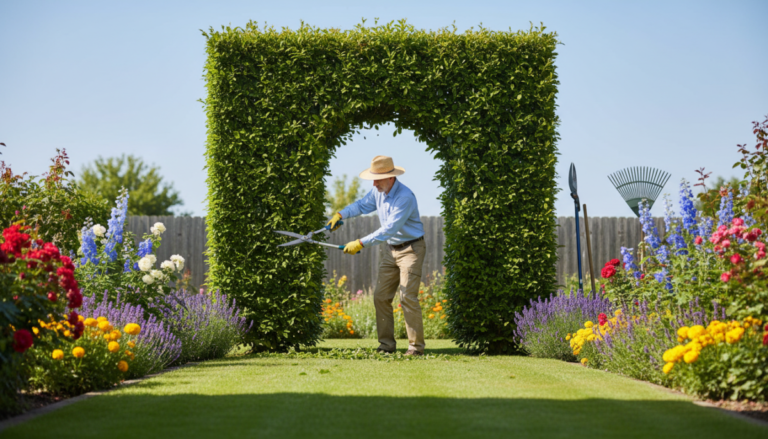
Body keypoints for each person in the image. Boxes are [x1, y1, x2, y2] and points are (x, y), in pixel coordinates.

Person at [326, 155, 427, 356]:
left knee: (407, 297)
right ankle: (386, 346)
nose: (374, 183)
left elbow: (389, 229)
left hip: (411, 249)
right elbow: (362, 205)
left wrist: (361, 242)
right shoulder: (378, 191)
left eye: (377, 179)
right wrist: (341, 214)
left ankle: (416, 348)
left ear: (390, 178)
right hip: (391, 250)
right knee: (380, 297)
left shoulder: (404, 197)